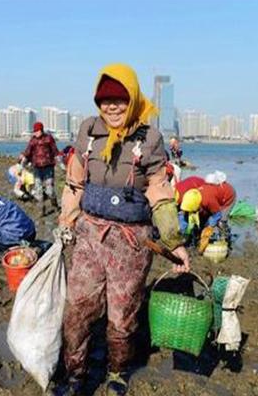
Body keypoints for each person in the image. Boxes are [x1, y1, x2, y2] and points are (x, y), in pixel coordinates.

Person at [57, 63, 190, 395]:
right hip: (89, 235)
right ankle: (75, 373)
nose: (112, 106)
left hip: (131, 243)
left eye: (120, 99)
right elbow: (75, 181)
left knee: (122, 314)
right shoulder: (88, 131)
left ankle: (117, 372)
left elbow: (159, 192)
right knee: (77, 307)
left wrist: (175, 241)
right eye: (105, 99)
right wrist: (66, 220)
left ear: (132, 98)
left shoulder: (151, 138)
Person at [174, 173, 236, 250]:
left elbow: (217, 214)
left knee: (221, 221)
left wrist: (209, 227)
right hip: (213, 197)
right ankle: (197, 239)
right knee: (202, 219)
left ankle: (226, 240)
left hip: (227, 197)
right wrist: (182, 232)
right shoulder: (192, 196)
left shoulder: (208, 200)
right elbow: (185, 216)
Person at [20, 121, 59, 216]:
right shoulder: (32, 140)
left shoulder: (49, 138)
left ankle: (55, 205)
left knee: (50, 190)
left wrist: (61, 162)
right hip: (37, 168)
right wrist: (23, 159)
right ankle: (41, 210)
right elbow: (28, 152)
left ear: (41, 130)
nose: (36, 133)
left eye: (37, 131)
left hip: (48, 168)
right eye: (34, 131)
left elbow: (55, 151)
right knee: (38, 191)